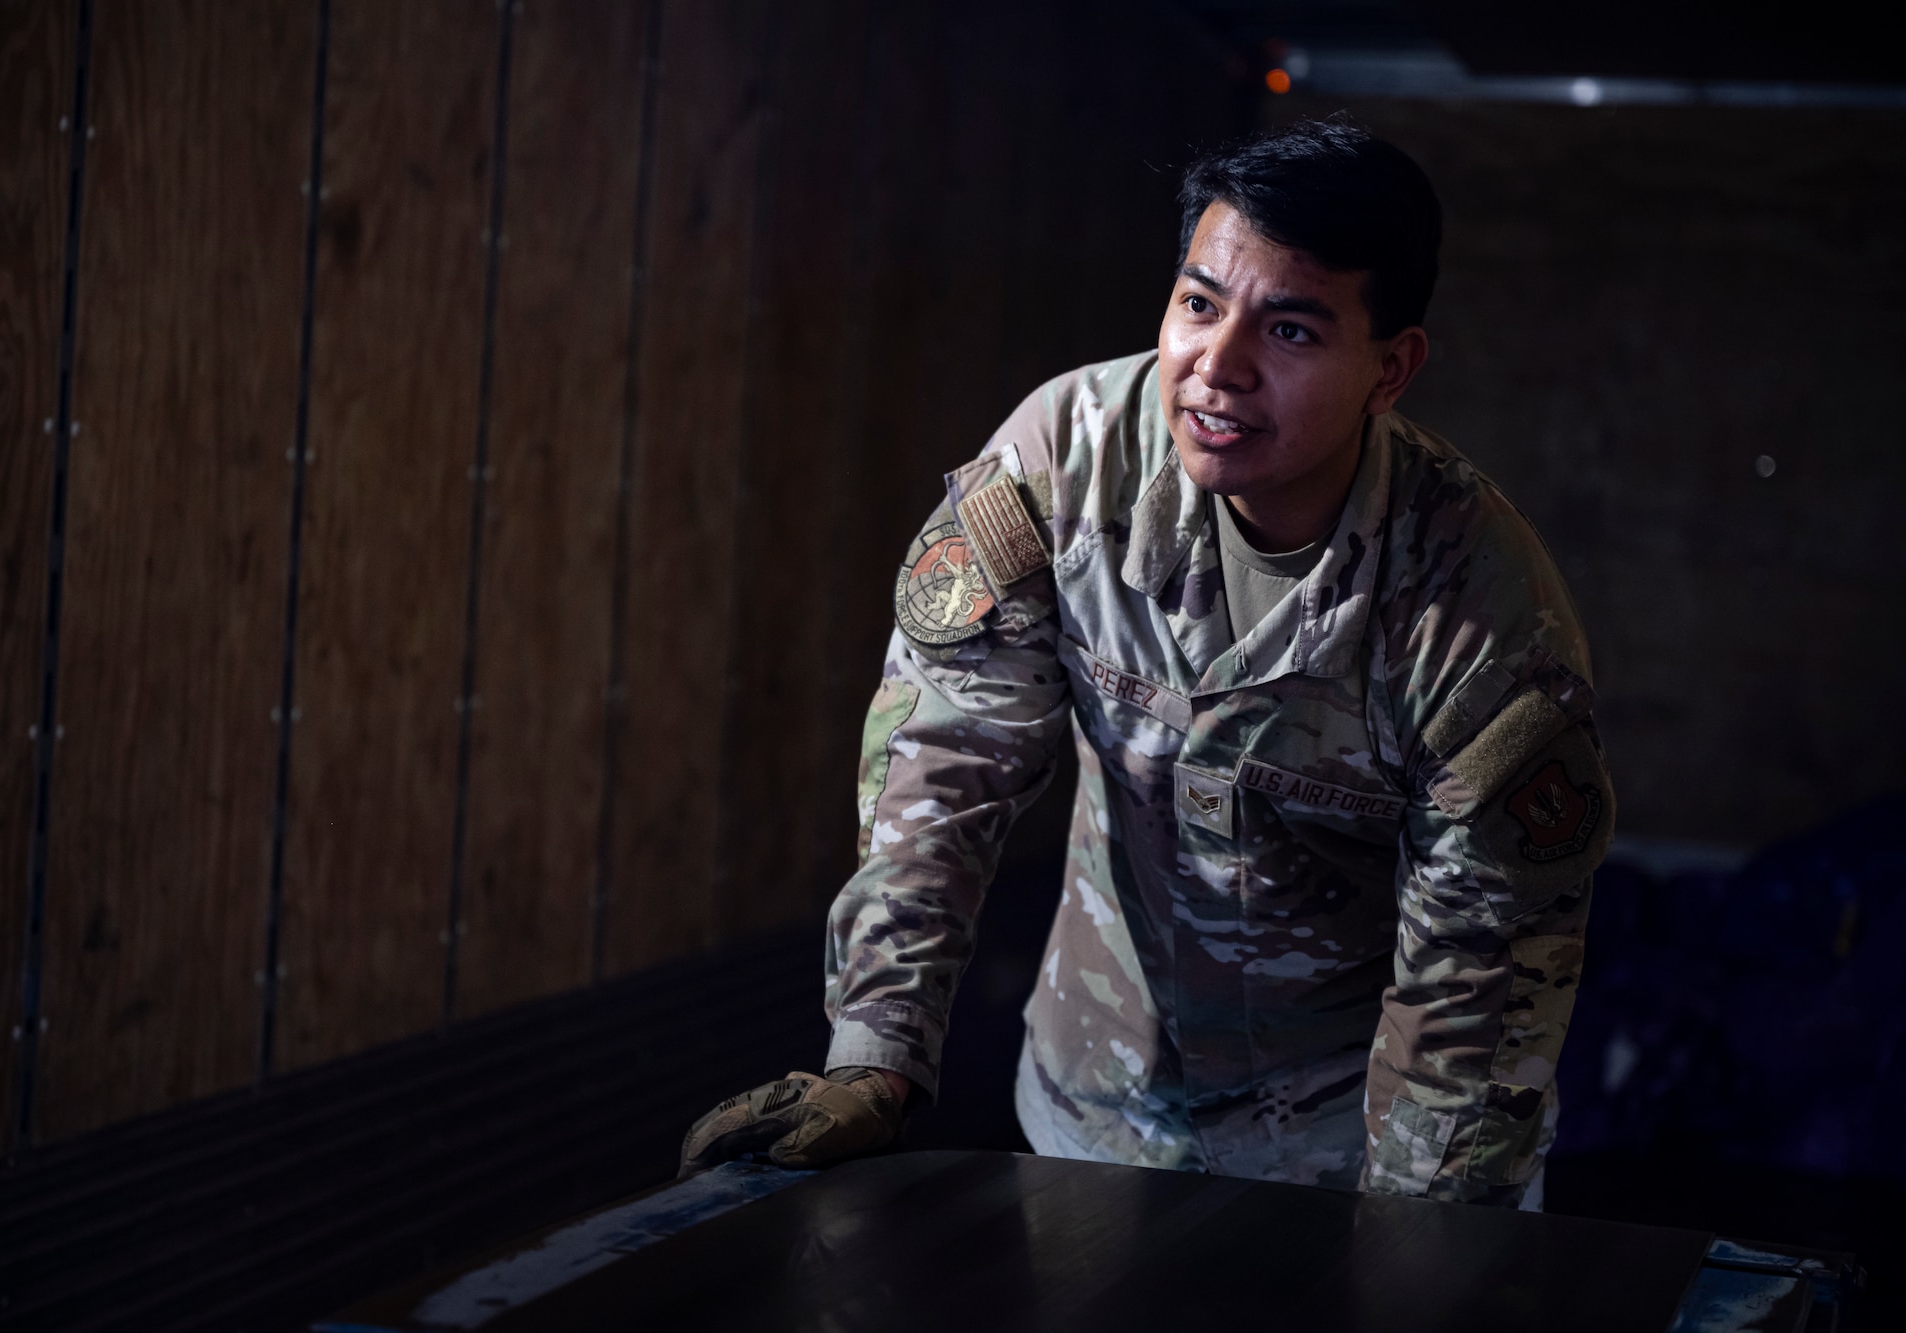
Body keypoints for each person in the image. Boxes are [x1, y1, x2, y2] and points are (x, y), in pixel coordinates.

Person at [680, 117, 1611, 1208]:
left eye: (1292, 332)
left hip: (1348, 1153)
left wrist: (1419, 1246)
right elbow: (944, 762)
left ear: (1389, 367)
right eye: (1197, 303)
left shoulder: (1475, 609)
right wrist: (874, 1049)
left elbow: (1481, 972)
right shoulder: (1066, 464)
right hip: (1094, 1112)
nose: (1216, 369)